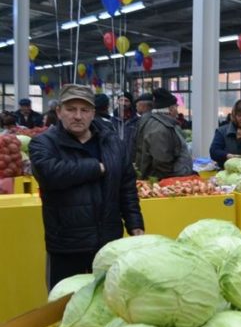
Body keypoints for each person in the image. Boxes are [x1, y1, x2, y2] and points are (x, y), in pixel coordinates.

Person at [29, 84, 144, 288]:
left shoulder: (112, 143)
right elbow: (50, 174)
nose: (78, 116)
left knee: (108, 304)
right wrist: (97, 167)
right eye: (71, 109)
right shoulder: (43, 143)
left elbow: (126, 188)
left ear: (93, 113)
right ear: (59, 112)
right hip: (67, 244)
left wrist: (135, 225)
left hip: (108, 242)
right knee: (65, 305)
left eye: (84, 110)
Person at [133, 88, 194, 179]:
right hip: (165, 181)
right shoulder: (160, 129)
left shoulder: (162, 124)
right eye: (176, 107)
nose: (177, 111)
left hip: (169, 178)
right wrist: (171, 178)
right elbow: (161, 162)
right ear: (170, 109)